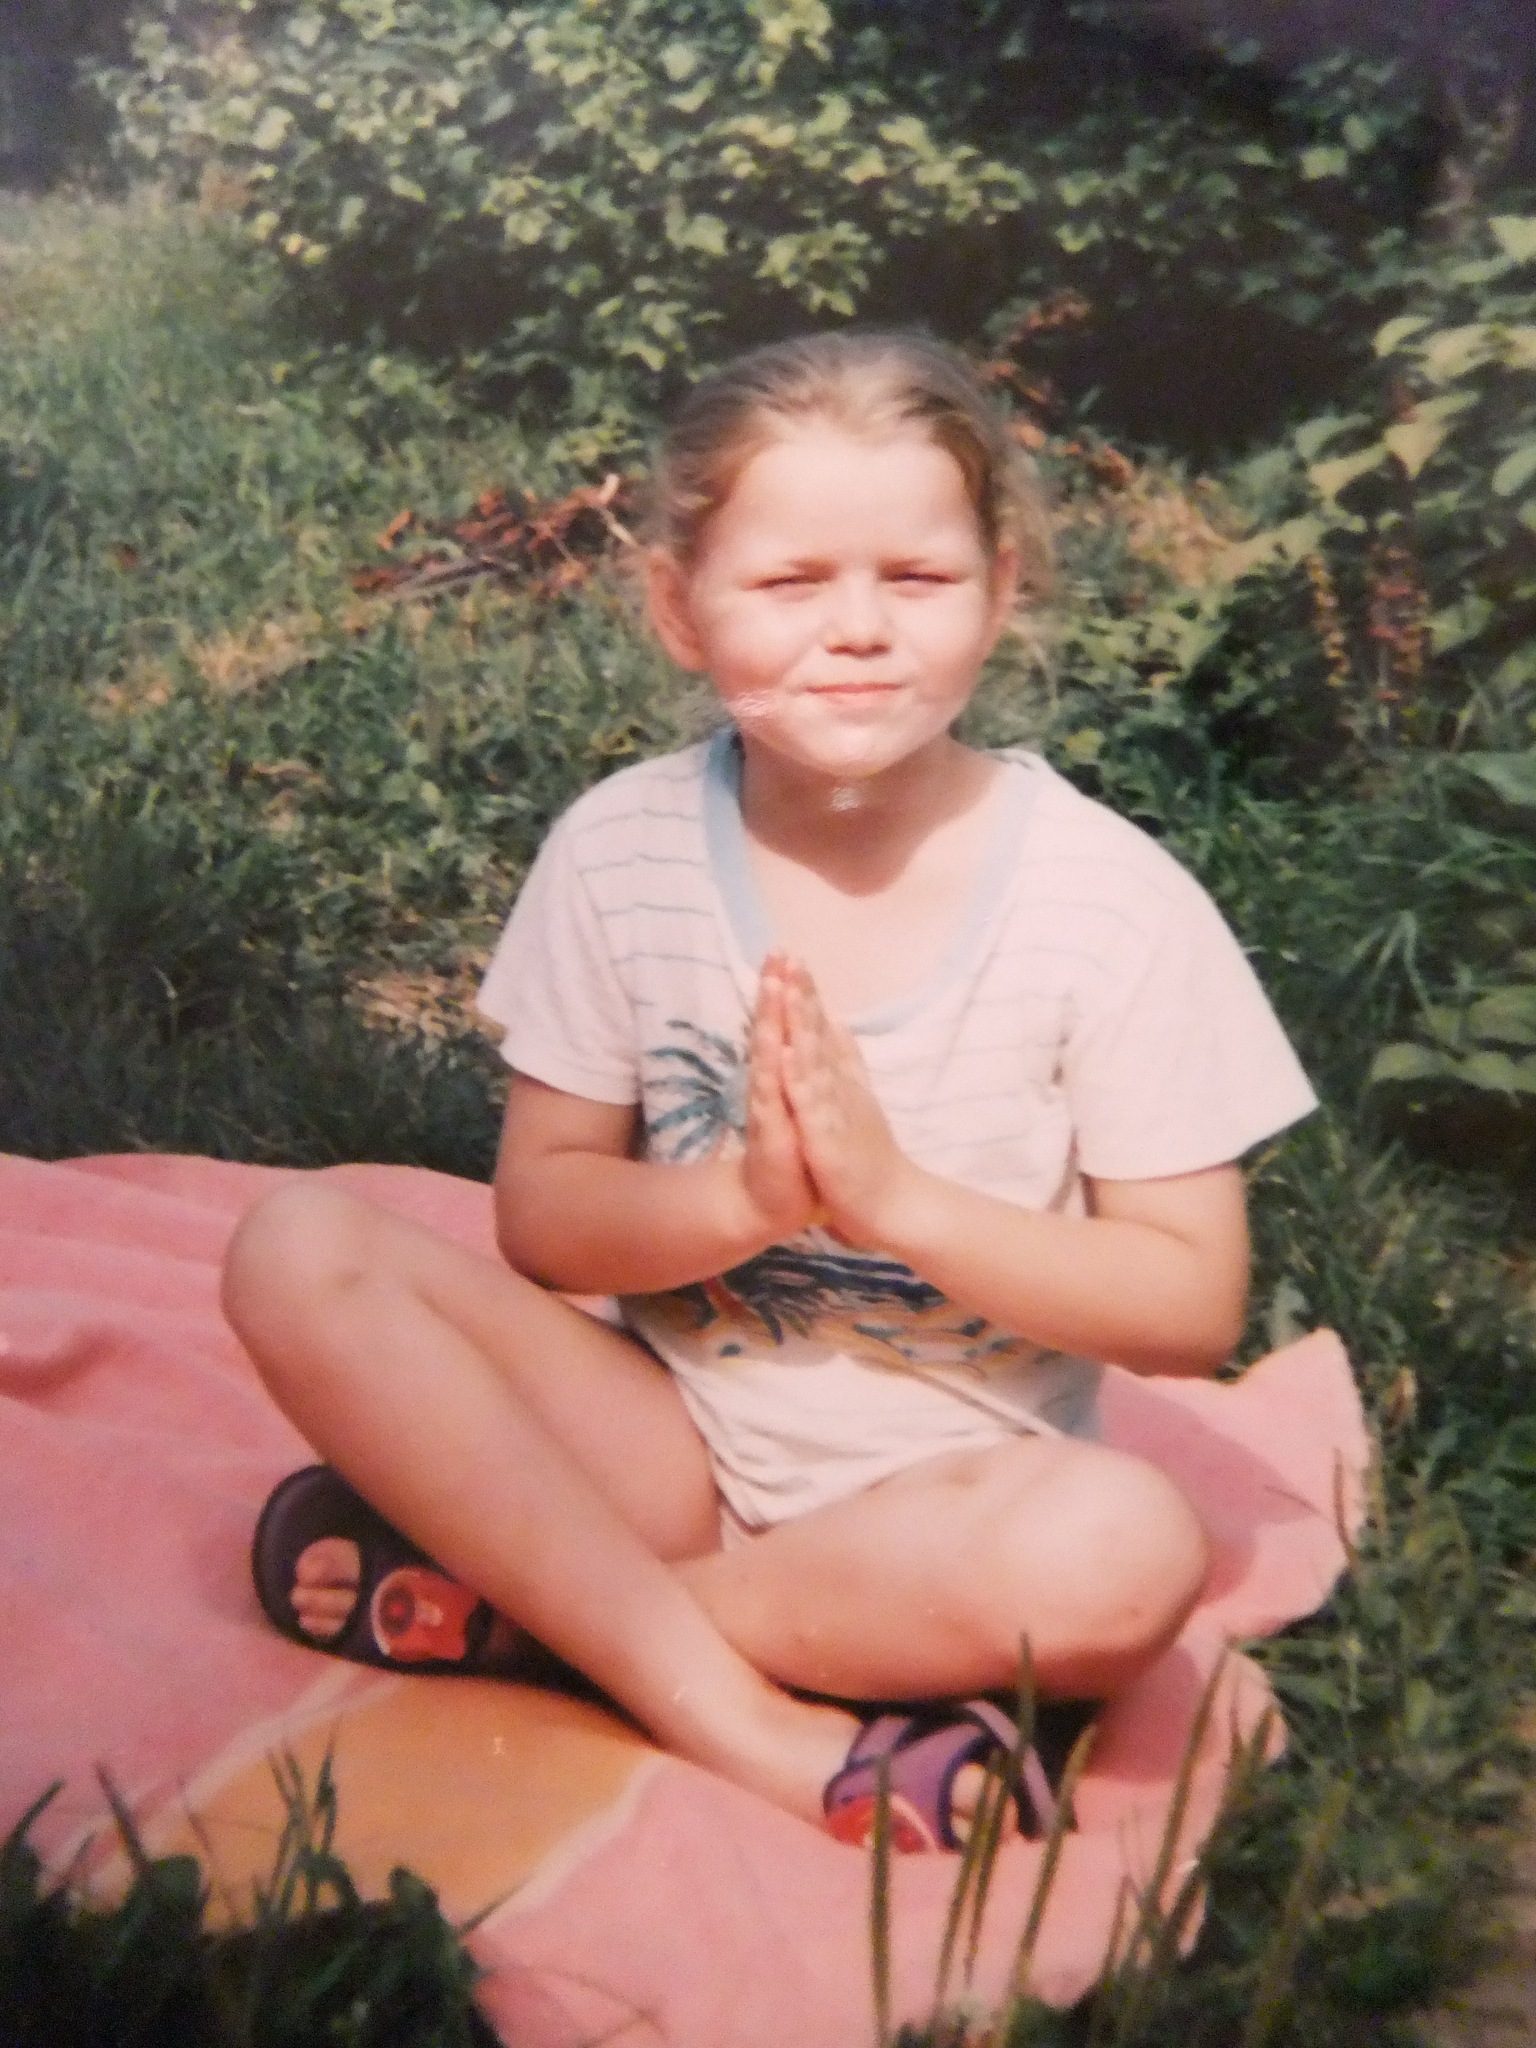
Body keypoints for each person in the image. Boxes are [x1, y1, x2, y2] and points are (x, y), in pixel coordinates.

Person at [226, 331, 1317, 1853]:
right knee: (298, 1248)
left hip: (953, 1505)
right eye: (790, 581)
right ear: (679, 608)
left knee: (1127, 1554)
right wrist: (745, 1199)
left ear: (1000, 587)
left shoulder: (1110, 903)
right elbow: (545, 1217)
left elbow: (1190, 1305)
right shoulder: (621, 851)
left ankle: (559, 1617)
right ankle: (744, 1709)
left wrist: (896, 1203)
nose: (857, 629)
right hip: (667, 1449)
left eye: (917, 578)